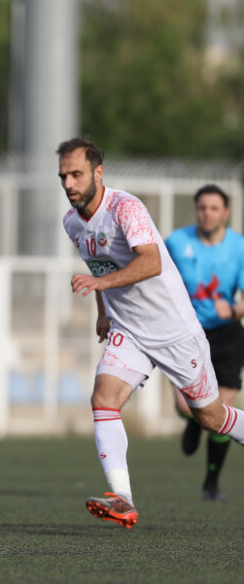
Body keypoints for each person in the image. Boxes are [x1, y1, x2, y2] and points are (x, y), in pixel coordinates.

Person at [59, 137, 244, 529]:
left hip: (174, 329)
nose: (69, 184)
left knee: (210, 418)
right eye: (63, 176)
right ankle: (122, 498)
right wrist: (103, 312)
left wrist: (101, 287)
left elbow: (152, 262)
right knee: (103, 398)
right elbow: (100, 265)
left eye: (76, 174)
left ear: (98, 172)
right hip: (130, 330)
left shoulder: (126, 208)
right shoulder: (72, 223)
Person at [164, 184, 244, 500]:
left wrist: (234, 309)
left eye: (214, 208)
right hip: (185, 333)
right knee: (186, 406)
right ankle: (192, 419)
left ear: (225, 213)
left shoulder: (239, 246)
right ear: (196, 210)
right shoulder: (176, 242)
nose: (207, 213)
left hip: (226, 334)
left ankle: (212, 482)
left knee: (221, 411)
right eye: (202, 208)